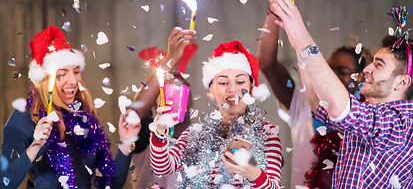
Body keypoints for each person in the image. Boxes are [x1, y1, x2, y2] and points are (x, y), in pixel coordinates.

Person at [270, 0, 413, 188]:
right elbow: (317, 102)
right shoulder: (369, 113)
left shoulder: (403, 126)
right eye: (373, 62)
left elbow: (340, 107)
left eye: (379, 65)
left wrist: (303, 36)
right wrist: (297, 43)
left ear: (402, 82)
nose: (368, 69)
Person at [258, 0, 371, 189]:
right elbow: (267, 64)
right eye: (329, 69)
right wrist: (275, 9)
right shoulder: (302, 101)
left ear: (360, 78)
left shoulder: (367, 117)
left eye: (343, 71)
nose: (332, 75)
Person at [0, 25, 141, 188]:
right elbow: (5, 183)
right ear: (45, 78)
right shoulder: (25, 116)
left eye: (76, 71)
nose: (73, 81)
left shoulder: (82, 115)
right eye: (62, 74)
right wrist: (36, 146)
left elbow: (111, 184)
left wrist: (126, 142)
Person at [149, 41, 282, 188]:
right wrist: (160, 132)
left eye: (240, 81)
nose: (232, 89)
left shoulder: (267, 133)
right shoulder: (195, 132)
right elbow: (162, 168)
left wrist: (254, 175)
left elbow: (274, 185)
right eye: (223, 82)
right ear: (211, 89)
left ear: (251, 88)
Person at [130, 27, 196, 189]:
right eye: (165, 92)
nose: (172, 99)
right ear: (154, 103)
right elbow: (134, 113)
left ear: (191, 103)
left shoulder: (203, 138)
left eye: (179, 92)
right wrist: (170, 60)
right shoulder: (145, 135)